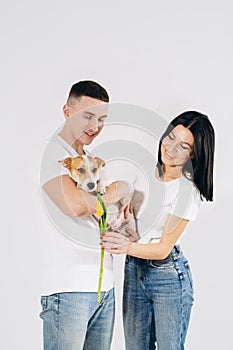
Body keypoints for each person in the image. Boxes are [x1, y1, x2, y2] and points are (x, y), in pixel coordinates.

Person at [101, 111, 215, 350]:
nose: (171, 148)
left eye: (182, 146)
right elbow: (127, 218)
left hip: (168, 277)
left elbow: (163, 249)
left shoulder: (186, 192)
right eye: (170, 138)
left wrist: (125, 246)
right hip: (134, 270)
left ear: (193, 153)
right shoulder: (142, 173)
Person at [39, 80, 132, 350]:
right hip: (68, 289)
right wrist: (120, 188)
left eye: (102, 119)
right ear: (67, 112)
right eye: (87, 116)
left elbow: (104, 212)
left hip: (105, 288)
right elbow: (77, 206)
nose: (95, 126)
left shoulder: (90, 161)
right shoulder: (49, 156)